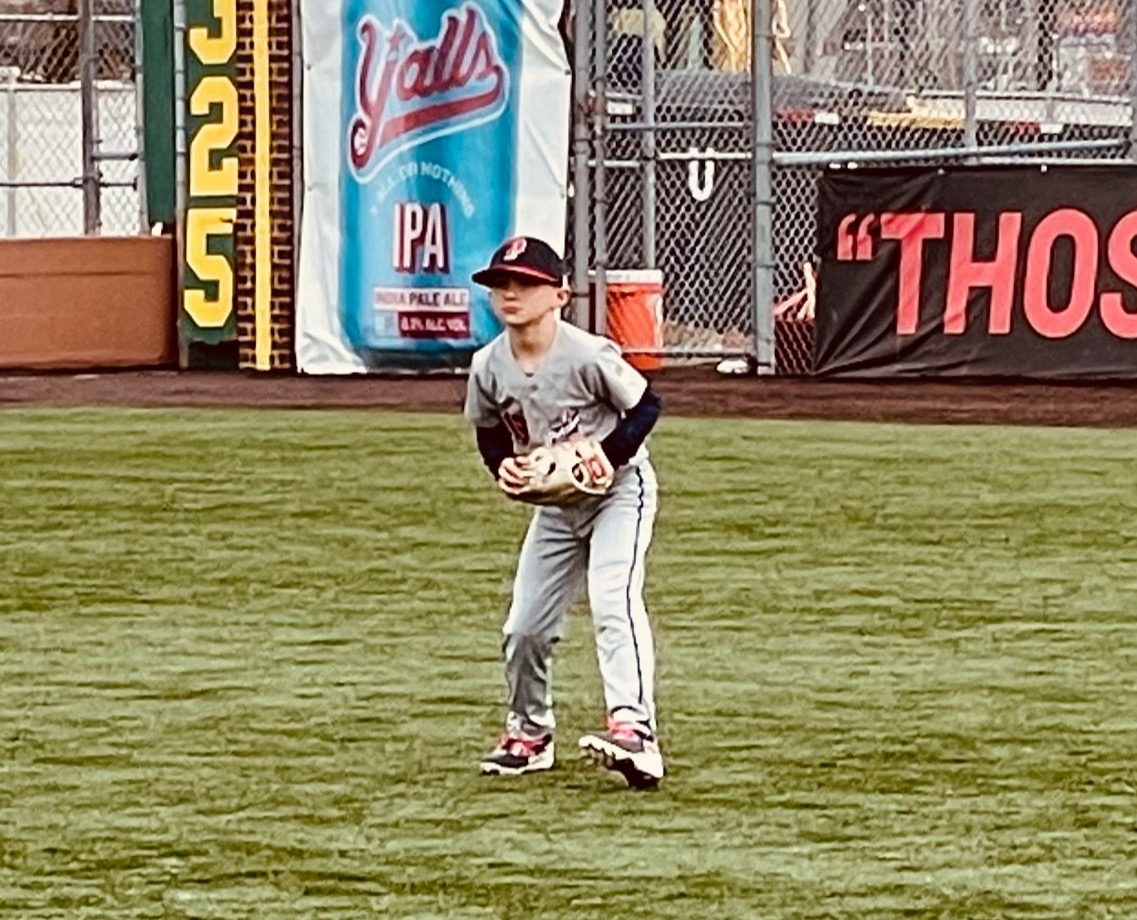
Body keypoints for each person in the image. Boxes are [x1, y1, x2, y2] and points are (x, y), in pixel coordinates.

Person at [463, 236, 666, 789]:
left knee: (613, 600)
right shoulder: (488, 365)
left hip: (619, 493)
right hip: (556, 509)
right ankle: (529, 735)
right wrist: (502, 467)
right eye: (501, 284)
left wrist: (609, 453)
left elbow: (646, 405)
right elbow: (489, 430)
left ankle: (635, 730)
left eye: (526, 283)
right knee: (524, 626)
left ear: (560, 294)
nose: (511, 293)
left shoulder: (587, 354)